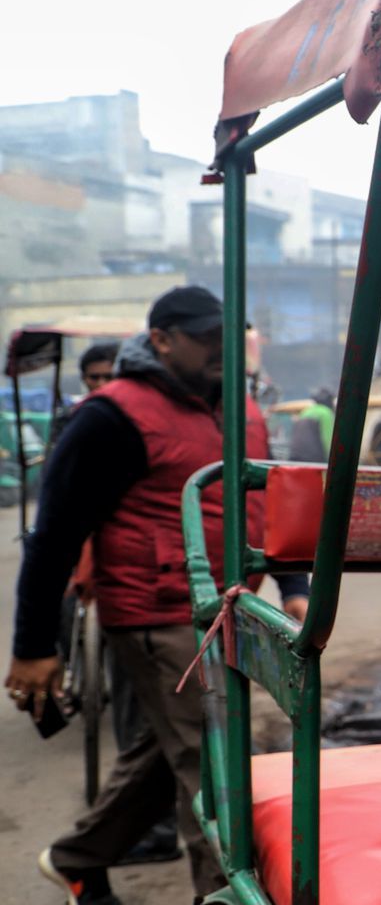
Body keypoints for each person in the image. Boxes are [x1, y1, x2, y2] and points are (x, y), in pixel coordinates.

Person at [8, 286, 310, 905]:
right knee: (216, 763)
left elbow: (268, 502)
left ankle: (78, 857)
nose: (219, 351)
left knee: (171, 750)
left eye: (226, 338)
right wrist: (35, 645)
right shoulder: (111, 416)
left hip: (230, 610)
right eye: (205, 338)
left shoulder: (242, 408)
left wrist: (295, 585)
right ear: (164, 339)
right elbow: (56, 533)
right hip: (158, 612)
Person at [55, 338, 180, 866]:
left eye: (108, 375)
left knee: (160, 718)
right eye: (91, 378)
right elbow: (61, 515)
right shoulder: (84, 422)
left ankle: (114, 838)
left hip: (152, 588)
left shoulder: (148, 422)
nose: (100, 385)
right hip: (110, 579)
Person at [287, 386, 335, 464]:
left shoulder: (305, 411)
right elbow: (327, 439)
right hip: (313, 460)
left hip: (295, 457)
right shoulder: (326, 413)